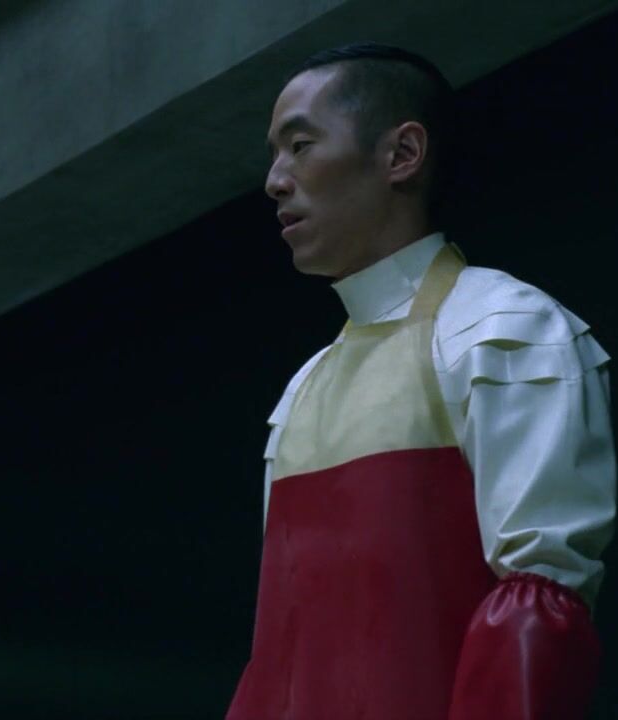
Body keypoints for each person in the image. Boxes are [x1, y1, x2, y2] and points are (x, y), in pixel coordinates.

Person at [225, 43, 615, 720]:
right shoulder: (302, 389)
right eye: (274, 154)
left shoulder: (505, 331)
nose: (275, 180)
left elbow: (536, 623)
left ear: (402, 154)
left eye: (300, 146)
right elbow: (279, 658)